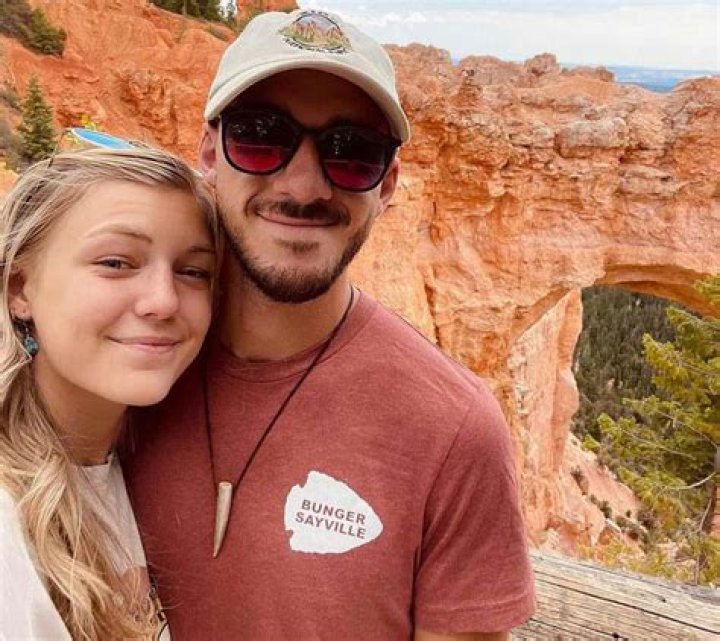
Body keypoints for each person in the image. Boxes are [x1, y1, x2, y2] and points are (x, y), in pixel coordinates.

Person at [124, 9, 535, 640]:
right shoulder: (128, 360)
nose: (304, 186)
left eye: (351, 152)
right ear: (209, 152)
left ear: (387, 184)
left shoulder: (452, 429)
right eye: (261, 137)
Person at [0, 147, 219, 640]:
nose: (163, 300)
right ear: (20, 289)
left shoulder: (150, 470)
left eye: (193, 271)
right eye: (116, 262)